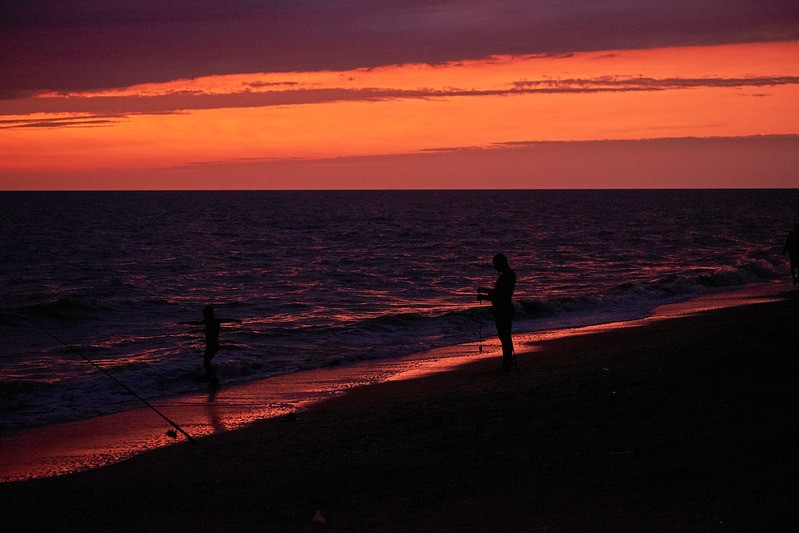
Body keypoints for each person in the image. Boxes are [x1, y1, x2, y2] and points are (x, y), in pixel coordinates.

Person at [179, 305, 241, 385]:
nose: (203, 315)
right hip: (214, 345)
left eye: (204, 314)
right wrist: (236, 320)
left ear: (208, 314)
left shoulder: (209, 321)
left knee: (206, 362)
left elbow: (196, 323)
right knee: (206, 362)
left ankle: (213, 378)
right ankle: (211, 377)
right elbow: (226, 320)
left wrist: (185, 323)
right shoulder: (215, 321)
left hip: (212, 345)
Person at [477, 253, 517, 371]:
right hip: (503, 308)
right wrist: (485, 293)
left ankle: (507, 364)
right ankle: (507, 363)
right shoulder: (508, 274)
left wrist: (483, 296)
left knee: (505, 337)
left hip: (503, 309)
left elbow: (499, 294)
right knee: (505, 337)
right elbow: (499, 293)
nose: (494, 266)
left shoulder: (507, 275)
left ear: (501, 263)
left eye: (495, 264)